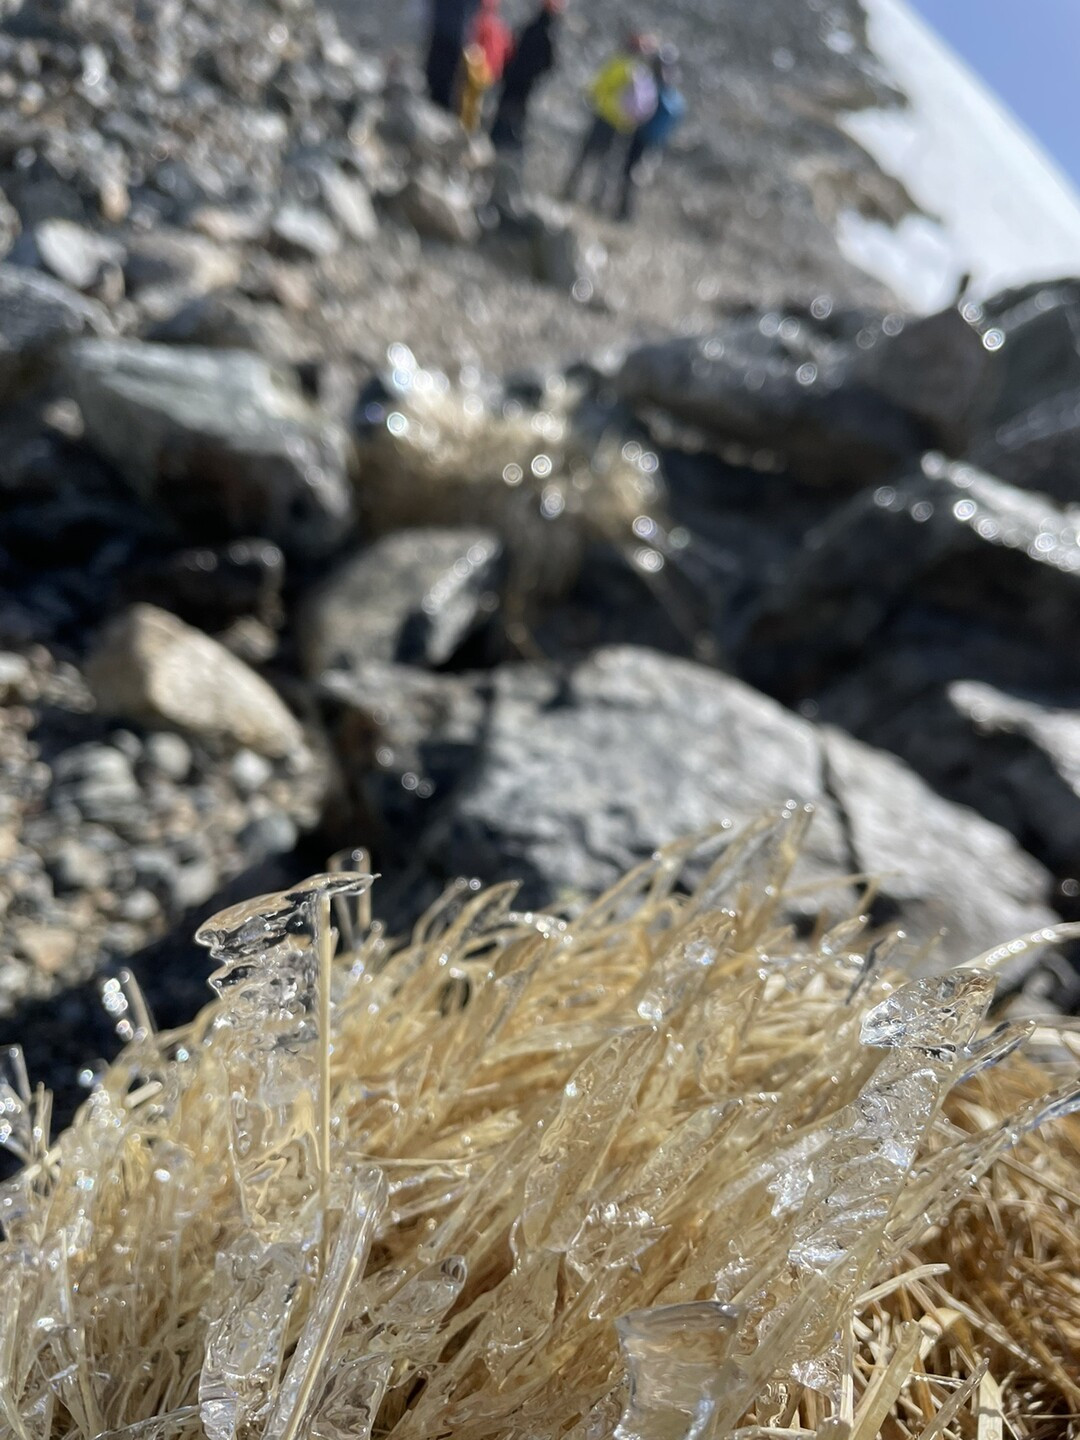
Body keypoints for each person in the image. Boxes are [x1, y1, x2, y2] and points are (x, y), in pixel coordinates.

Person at [563, 33, 659, 210]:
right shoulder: (641, 72)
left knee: (587, 156)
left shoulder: (618, 64)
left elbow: (599, 87)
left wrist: (593, 99)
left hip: (605, 117)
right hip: (623, 125)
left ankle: (570, 191)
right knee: (609, 164)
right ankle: (599, 201)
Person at [616, 46, 686, 220]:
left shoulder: (656, 84)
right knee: (634, 174)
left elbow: (645, 106)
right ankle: (625, 211)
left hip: (641, 134)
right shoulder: (672, 87)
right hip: (654, 139)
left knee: (629, 173)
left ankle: (624, 211)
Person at [490, 0, 565, 153]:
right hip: (524, 80)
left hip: (516, 77)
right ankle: (503, 143)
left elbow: (517, 50)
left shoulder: (535, 28)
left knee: (508, 108)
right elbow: (550, 63)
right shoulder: (547, 32)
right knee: (514, 110)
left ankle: (498, 141)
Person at [458, 0, 514, 133]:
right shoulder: (500, 26)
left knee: (469, 99)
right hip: (491, 70)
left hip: (480, 68)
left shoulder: (483, 22)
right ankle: (469, 127)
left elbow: (473, 42)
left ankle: (465, 127)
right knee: (476, 101)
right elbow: (508, 51)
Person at [425, 0, 480, 111]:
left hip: (444, 29)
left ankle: (436, 102)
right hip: (455, 33)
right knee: (446, 74)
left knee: (439, 70)